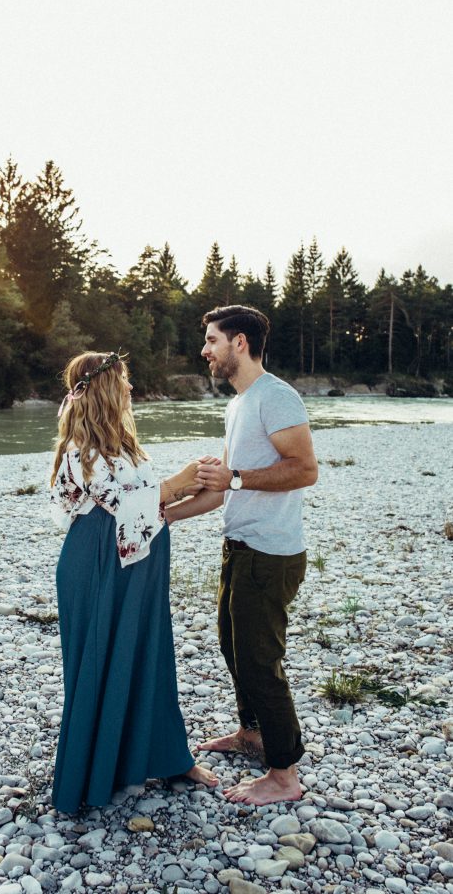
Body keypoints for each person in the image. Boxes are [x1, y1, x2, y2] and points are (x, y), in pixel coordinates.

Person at [49, 350, 218, 814]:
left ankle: (165, 757)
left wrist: (192, 489)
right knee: (103, 660)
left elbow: (143, 503)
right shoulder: (79, 450)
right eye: (123, 380)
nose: (129, 388)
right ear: (103, 388)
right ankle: (97, 770)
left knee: (148, 653)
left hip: (137, 564)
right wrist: (178, 481)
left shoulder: (123, 445)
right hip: (99, 566)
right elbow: (117, 504)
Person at [166, 306, 318, 806]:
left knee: (259, 662)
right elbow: (221, 490)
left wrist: (237, 478)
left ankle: (284, 775)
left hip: (270, 554)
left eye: (211, 340)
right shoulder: (239, 404)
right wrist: (160, 516)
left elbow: (304, 470)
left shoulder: (275, 397)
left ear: (240, 343)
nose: (204, 350)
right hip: (239, 548)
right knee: (233, 649)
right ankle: (252, 733)